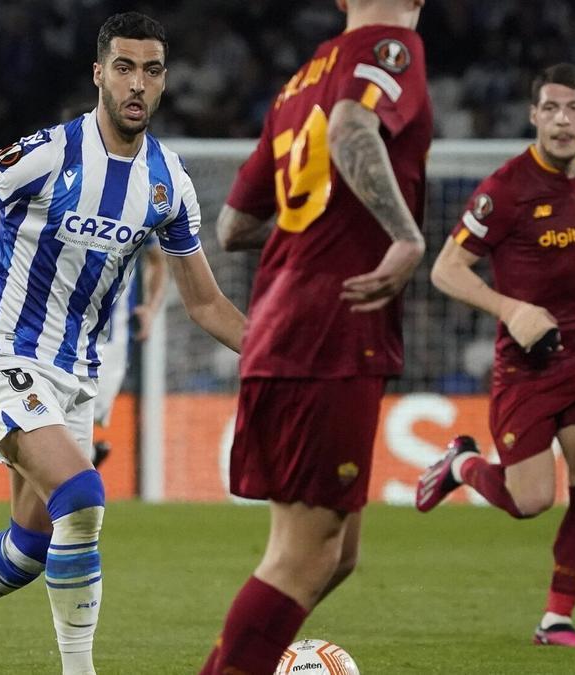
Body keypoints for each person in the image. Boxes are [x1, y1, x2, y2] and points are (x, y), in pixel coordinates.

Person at [0, 12, 244, 675]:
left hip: (75, 374)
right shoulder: (48, 153)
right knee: (83, 497)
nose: (138, 84)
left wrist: (276, 351)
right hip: (2, 353)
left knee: (30, 544)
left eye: (153, 70)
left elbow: (204, 302)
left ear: (165, 82)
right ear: (99, 74)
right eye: (126, 67)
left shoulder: (168, 182)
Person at [202, 1, 430, 672]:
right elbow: (353, 123)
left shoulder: (301, 78)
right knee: (303, 555)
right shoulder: (391, 49)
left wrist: (315, 233)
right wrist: (405, 233)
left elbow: (234, 226)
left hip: (282, 324)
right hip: (330, 330)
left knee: (335, 551)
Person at [417, 63, 575, 649]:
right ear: (533, 115)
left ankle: (557, 619)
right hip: (529, 362)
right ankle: (461, 465)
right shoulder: (505, 189)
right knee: (532, 500)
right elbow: (446, 270)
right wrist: (511, 309)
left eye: (573, 108)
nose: (562, 120)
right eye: (550, 108)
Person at [92, 241, 167, 466]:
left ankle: (85, 458)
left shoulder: (139, 209)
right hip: (56, 332)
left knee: (83, 417)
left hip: (110, 342)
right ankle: (87, 458)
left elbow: (157, 260)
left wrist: (151, 309)